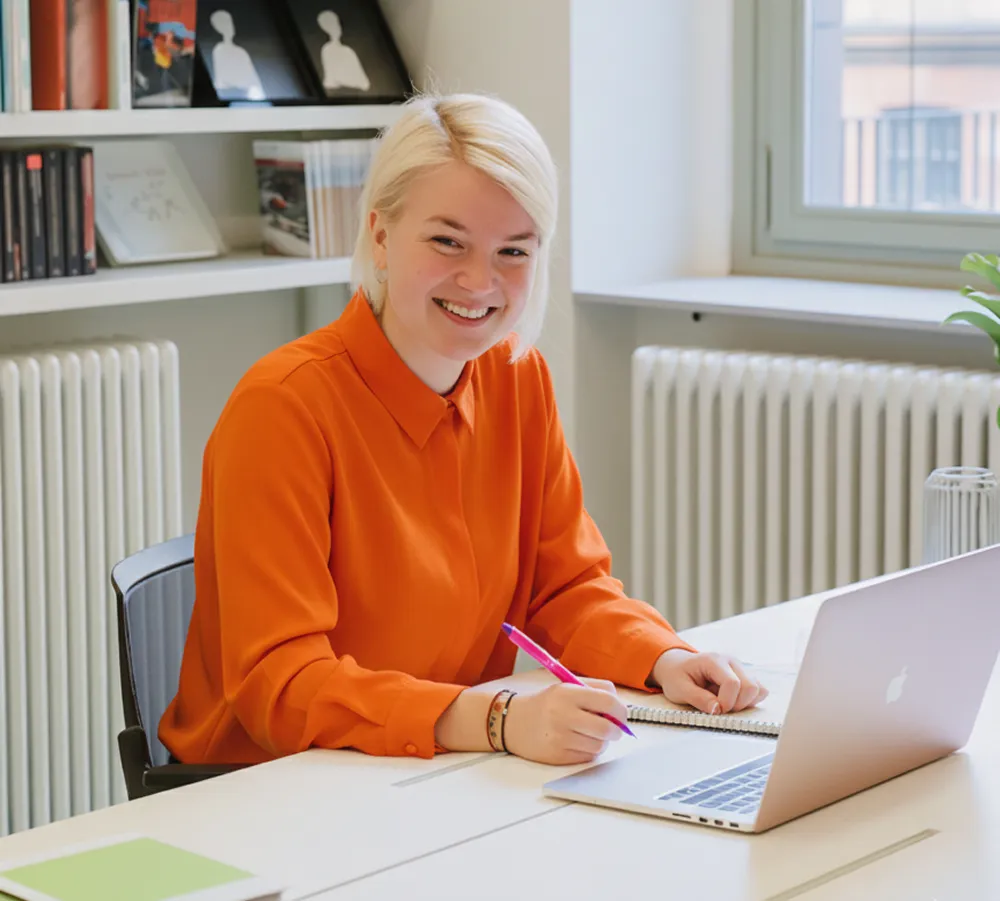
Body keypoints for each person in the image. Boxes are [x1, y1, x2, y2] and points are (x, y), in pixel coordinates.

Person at [159, 92, 767, 769]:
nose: (480, 281)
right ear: (381, 236)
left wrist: (665, 657)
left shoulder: (517, 378)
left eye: (513, 250)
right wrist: (496, 719)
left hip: (429, 766)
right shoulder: (282, 407)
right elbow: (281, 684)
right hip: (270, 790)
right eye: (448, 241)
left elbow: (564, 588)